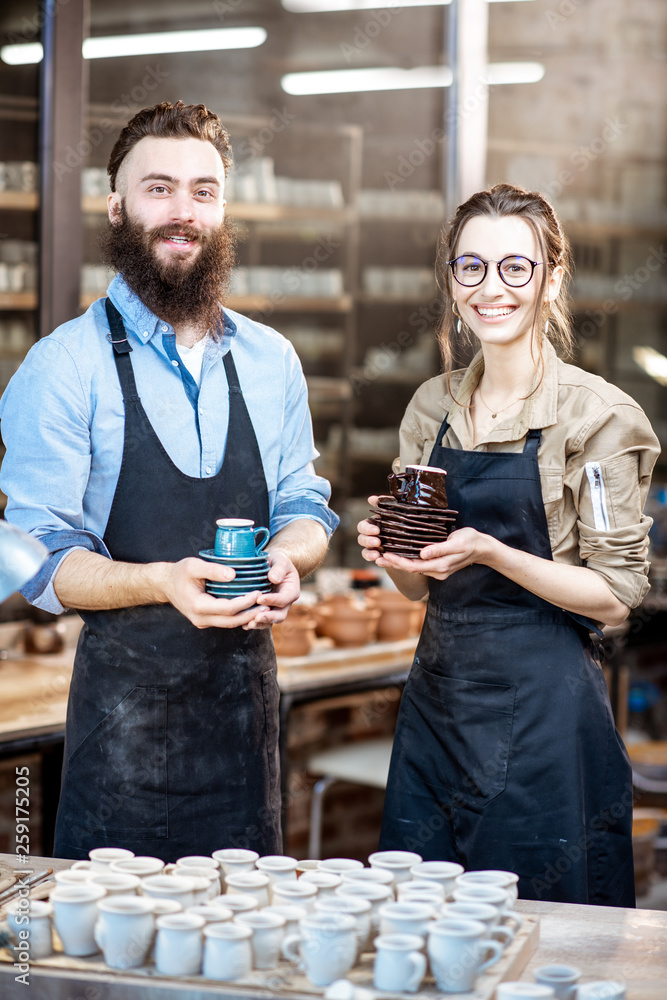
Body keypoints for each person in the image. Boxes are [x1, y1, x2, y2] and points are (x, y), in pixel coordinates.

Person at [0, 101, 338, 861]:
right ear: (116, 206)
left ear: (222, 210)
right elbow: (41, 559)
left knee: (239, 961)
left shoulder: (270, 359)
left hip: (244, 737)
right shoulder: (64, 366)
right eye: (158, 188)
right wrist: (161, 581)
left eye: (203, 191)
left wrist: (292, 557)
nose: (183, 211)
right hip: (123, 745)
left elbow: (304, 502)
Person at [358, 183, 660, 906]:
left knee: (543, 929)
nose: (489, 288)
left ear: (550, 279)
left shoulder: (594, 416)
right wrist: (395, 560)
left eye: (514, 268)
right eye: (471, 267)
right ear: (451, 278)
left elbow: (615, 596)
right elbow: (419, 586)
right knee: (421, 922)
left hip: (545, 721)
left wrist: (490, 551)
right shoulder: (430, 406)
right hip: (436, 708)